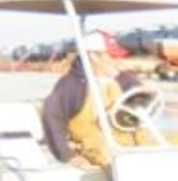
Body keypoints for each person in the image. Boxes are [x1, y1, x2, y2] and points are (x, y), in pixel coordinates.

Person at [42, 32, 151, 168]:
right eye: (112, 57)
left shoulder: (119, 78)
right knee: (114, 159)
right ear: (94, 57)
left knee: (169, 148)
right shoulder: (71, 85)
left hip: (126, 144)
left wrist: (147, 93)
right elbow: (52, 116)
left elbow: (141, 99)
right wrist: (68, 156)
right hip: (96, 151)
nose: (118, 61)